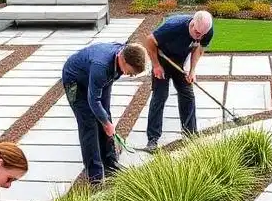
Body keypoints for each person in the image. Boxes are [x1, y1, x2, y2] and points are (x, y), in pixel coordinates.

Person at [61, 41, 147, 184]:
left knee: (105, 115)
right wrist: (106, 124)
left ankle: (110, 163)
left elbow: (101, 103)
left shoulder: (122, 55)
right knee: (88, 124)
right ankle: (95, 175)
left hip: (97, 79)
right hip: (75, 80)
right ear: (123, 60)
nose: (130, 76)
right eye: (130, 72)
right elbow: (93, 100)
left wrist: (106, 121)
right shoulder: (101, 65)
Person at [142, 10, 215, 152]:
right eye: (197, 33)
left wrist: (192, 70)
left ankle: (190, 134)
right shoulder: (173, 27)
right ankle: (152, 139)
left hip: (180, 62)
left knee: (188, 94)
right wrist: (156, 66)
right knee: (160, 96)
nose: (199, 36)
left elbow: (198, 49)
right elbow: (149, 41)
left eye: (202, 35)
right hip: (162, 60)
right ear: (193, 23)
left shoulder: (207, 31)